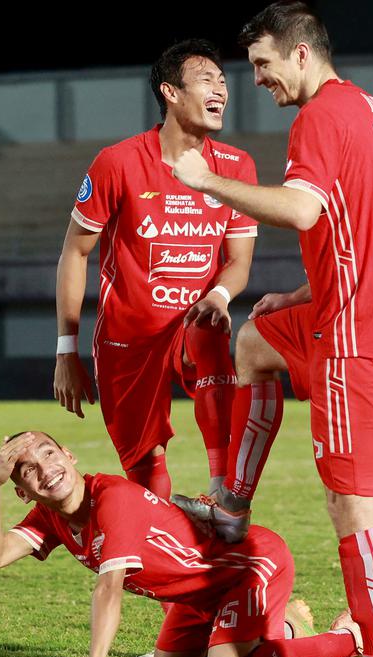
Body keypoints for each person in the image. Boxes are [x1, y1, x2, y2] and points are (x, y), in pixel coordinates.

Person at [168, 1, 373, 657]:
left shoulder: (318, 116)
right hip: (372, 306)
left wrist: (204, 181)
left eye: (262, 64)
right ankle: (231, 504)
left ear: (301, 54)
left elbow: (302, 209)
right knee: (254, 340)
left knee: (351, 501)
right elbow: (367, 222)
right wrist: (301, 291)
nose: (256, 79)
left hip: (356, 333)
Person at [0, 432, 366, 657]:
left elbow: (108, 589)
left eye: (48, 454)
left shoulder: (112, 499)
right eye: (29, 470)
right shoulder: (50, 516)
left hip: (248, 566)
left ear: (68, 454)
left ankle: (349, 639)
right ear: (22, 492)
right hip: (198, 594)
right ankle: (280, 626)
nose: (46, 469)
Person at [53, 39, 258, 499]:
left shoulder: (236, 166)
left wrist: (219, 296)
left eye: (223, 81)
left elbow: (238, 262)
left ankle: (223, 491)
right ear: (171, 92)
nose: (220, 90)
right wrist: (66, 351)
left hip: (190, 326)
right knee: (147, 477)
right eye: (206, 80)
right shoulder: (118, 162)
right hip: (128, 339)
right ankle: (162, 537)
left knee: (208, 329)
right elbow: (75, 253)